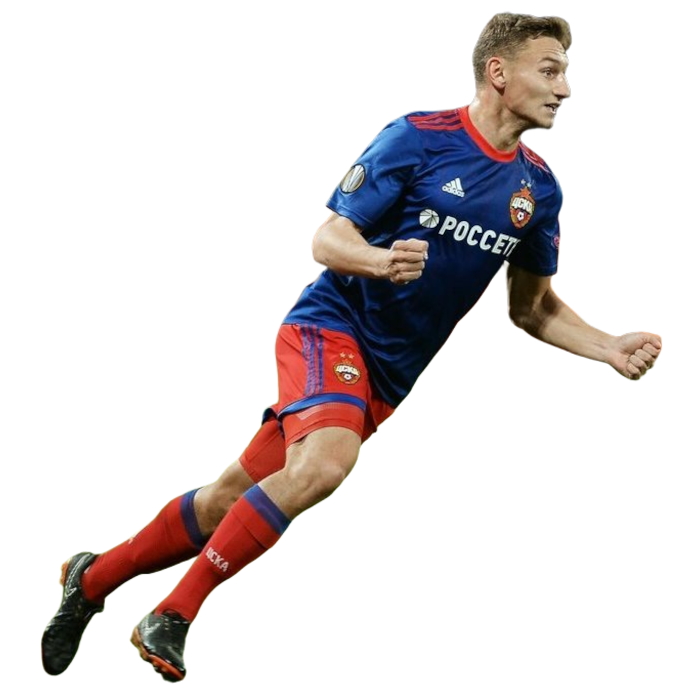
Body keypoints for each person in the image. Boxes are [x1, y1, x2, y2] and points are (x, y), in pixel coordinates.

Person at [40, 12, 662, 683]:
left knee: (229, 498)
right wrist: (379, 260)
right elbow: (328, 239)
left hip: (386, 379)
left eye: (565, 73)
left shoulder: (538, 189)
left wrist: (607, 345)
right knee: (326, 465)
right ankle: (173, 614)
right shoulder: (418, 136)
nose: (564, 88)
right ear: (498, 72)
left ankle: (90, 580)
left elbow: (530, 308)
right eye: (550, 70)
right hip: (328, 329)